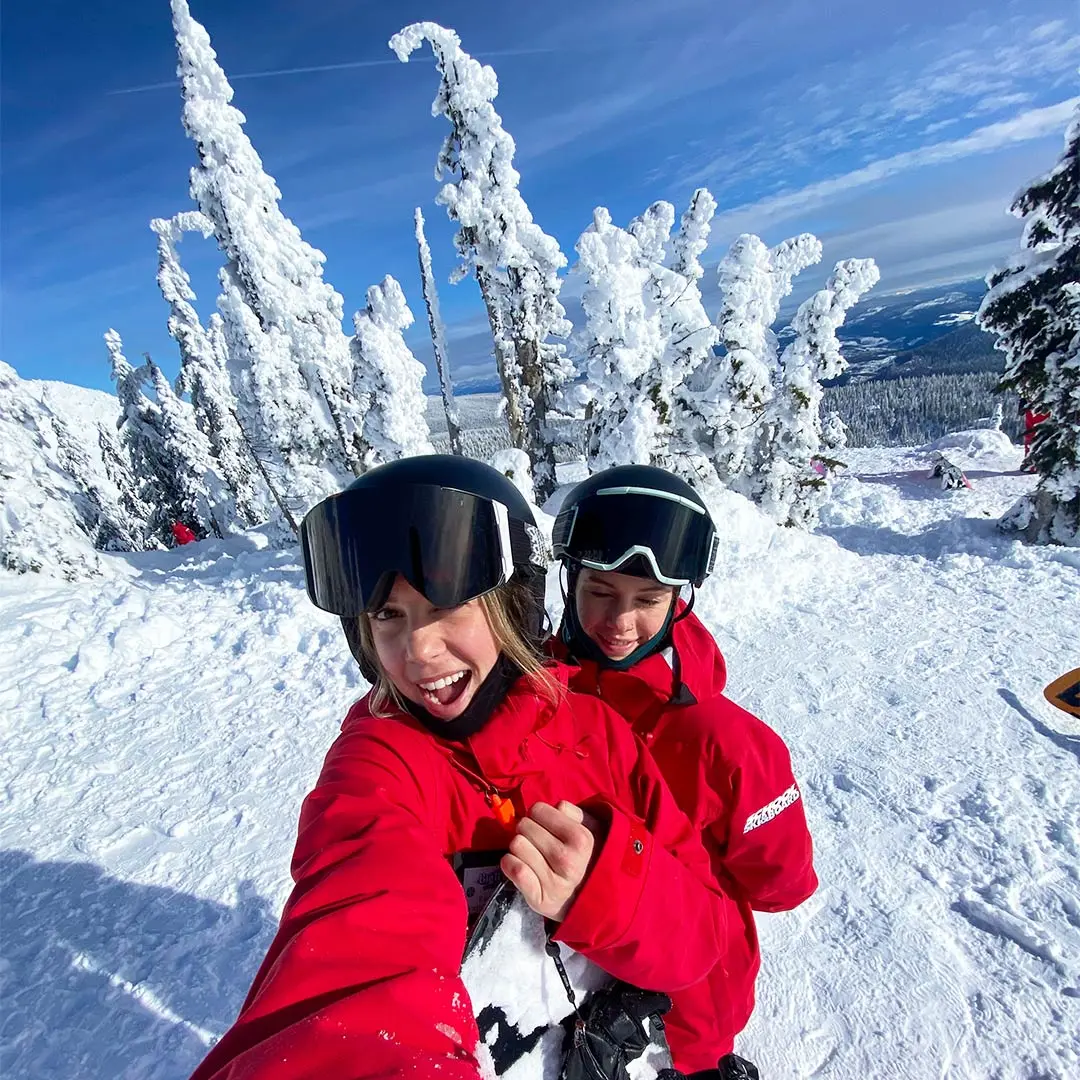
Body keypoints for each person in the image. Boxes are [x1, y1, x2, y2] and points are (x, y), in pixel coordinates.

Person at [189, 455, 731, 1080]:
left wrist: (610, 888)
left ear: (513, 608)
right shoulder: (382, 765)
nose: (417, 649)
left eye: (446, 605)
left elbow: (705, 938)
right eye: (388, 614)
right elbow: (359, 970)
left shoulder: (600, 737)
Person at [551, 464, 819, 1080]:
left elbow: (783, 882)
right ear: (571, 584)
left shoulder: (729, 744)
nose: (620, 623)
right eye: (600, 592)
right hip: (567, 983)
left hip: (683, 1009)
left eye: (647, 600)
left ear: (680, 600)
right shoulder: (534, 700)